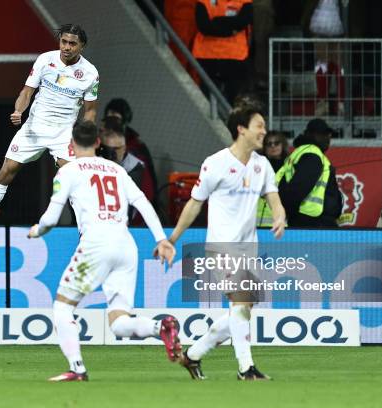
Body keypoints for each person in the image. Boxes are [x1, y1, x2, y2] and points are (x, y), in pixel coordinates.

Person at [27, 121, 181, 381]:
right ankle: (160, 326)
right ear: (98, 143)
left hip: (96, 244)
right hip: (125, 244)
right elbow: (142, 202)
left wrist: (36, 231)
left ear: (71, 144)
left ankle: (77, 369)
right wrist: (161, 239)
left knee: (63, 308)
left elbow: (51, 219)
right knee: (119, 323)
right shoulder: (117, 170)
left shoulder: (68, 171)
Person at [164, 106, 286, 381]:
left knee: (240, 311)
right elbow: (195, 204)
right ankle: (246, 369)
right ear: (241, 129)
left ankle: (193, 355)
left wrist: (280, 218)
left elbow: (275, 201)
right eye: (259, 125)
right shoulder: (215, 163)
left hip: (248, 248)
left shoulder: (262, 165)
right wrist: (172, 239)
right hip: (221, 246)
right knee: (241, 302)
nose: (264, 131)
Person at [0, 24, 99, 245]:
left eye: (72, 43)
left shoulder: (90, 73)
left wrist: (86, 134)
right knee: (7, 170)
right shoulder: (45, 60)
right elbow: (26, 92)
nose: (66, 47)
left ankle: (86, 235)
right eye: (64, 41)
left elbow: (90, 110)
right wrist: (18, 110)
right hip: (34, 128)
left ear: (82, 46)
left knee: (75, 180)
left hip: (64, 132)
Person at [278, 118, 343, 227]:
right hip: (312, 224)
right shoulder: (312, 155)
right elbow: (297, 190)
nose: (329, 138)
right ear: (313, 134)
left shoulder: (303, 152)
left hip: (309, 221)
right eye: (325, 134)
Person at [192, 0, 253, 104]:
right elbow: (204, 26)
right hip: (225, 56)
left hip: (215, 55)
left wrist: (216, 21)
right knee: (234, 102)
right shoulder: (243, 2)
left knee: (208, 100)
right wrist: (230, 30)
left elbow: (242, 22)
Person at [103, 98, 158, 197]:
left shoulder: (138, 146)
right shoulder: (99, 144)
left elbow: (151, 180)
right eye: (110, 117)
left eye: (116, 117)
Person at [256, 131, 289, 226]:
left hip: (281, 223)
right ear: (264, 147)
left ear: (283, 145)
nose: (273, 146)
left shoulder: (290, 166)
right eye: (269, 144)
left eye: (277, 143)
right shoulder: (257, 166)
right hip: (257, 222)